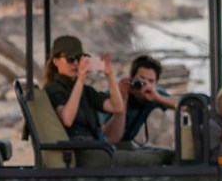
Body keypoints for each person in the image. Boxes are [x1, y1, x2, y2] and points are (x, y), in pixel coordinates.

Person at [44, 36, 165, 167]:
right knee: (159, 158)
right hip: (82, 151)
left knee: (158, 152)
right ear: (56, 61)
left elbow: (117, 107)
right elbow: (67, 119)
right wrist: (81, 79)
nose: (75, 64)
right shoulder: (53, 88)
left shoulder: (84, 91)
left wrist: (109, 75)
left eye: (79, 59)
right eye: (70, 60)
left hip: (97, 147)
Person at [112, 54, 178, 148]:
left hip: (127, 144)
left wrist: (158, 98)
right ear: (132, 78)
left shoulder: (153, 93)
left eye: (150, 81)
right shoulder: (116, 94)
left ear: (156, 83)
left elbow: (185, 105)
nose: (145, 85)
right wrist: (123, 100)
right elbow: (107, 137)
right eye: (141, 80)